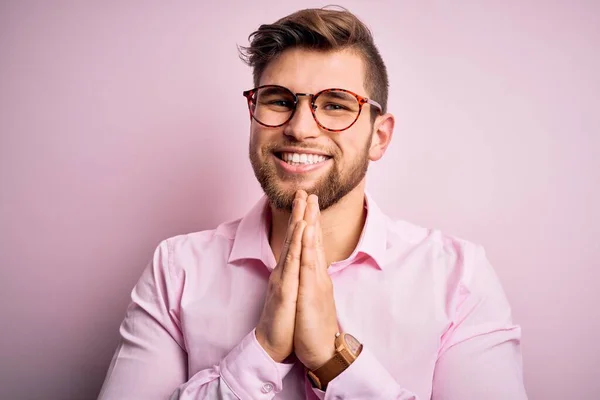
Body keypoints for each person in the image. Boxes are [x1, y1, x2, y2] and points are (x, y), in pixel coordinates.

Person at [98, 7, 527, 400]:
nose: (300, 128)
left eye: (336, 105)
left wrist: (335, 362)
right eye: (280, 101)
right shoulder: (177, 269)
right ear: (253, 116)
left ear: (380, 136)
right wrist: (261, 351)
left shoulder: (457, 278)